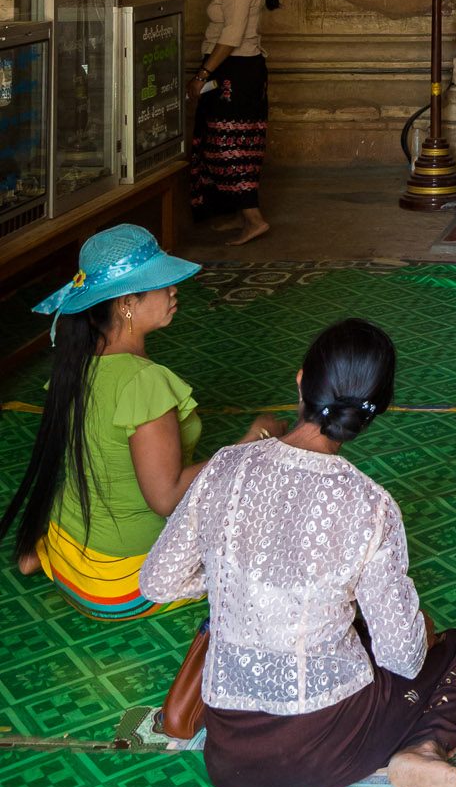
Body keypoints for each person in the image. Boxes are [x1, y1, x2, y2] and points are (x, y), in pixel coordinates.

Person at [140, 318, 456, 787]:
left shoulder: (226, 465)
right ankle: (420, 753)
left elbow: (157, 582)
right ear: (377, 409)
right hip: (323, 750)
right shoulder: (370, 505)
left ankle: (414, 753)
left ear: (301, 379)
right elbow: (401, 656)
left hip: (228, 756)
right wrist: (418, 629)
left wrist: (241, 577)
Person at [0, 224, 279, 618]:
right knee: (266, 515)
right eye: (162, 284)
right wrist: (254, 441)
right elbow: (165, 498)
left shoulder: (74, 367)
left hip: (70, 553)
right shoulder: (144, 382)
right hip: (123, 581)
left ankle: (41, 556)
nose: (173, 290)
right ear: (127, 303)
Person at [189, 0, 278, 245]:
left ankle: (253, 219)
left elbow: (231, 37)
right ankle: (241, 214)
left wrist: (202, 75)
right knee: (230, 144)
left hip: (235, 72)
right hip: (238, 71)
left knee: (228, 148)